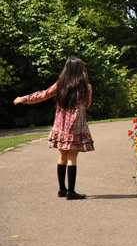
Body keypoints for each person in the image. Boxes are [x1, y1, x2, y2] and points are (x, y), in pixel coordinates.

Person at [13, 57, 94, 200]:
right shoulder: (86, 88)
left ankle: (62, 189)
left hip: (60, 127)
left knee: (62, 158)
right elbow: (87, 104)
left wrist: (23, 99)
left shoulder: (60, 85)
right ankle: (71, 192)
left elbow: (42, 95)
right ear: (81, 71)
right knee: (72, 159)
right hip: (76, 128)